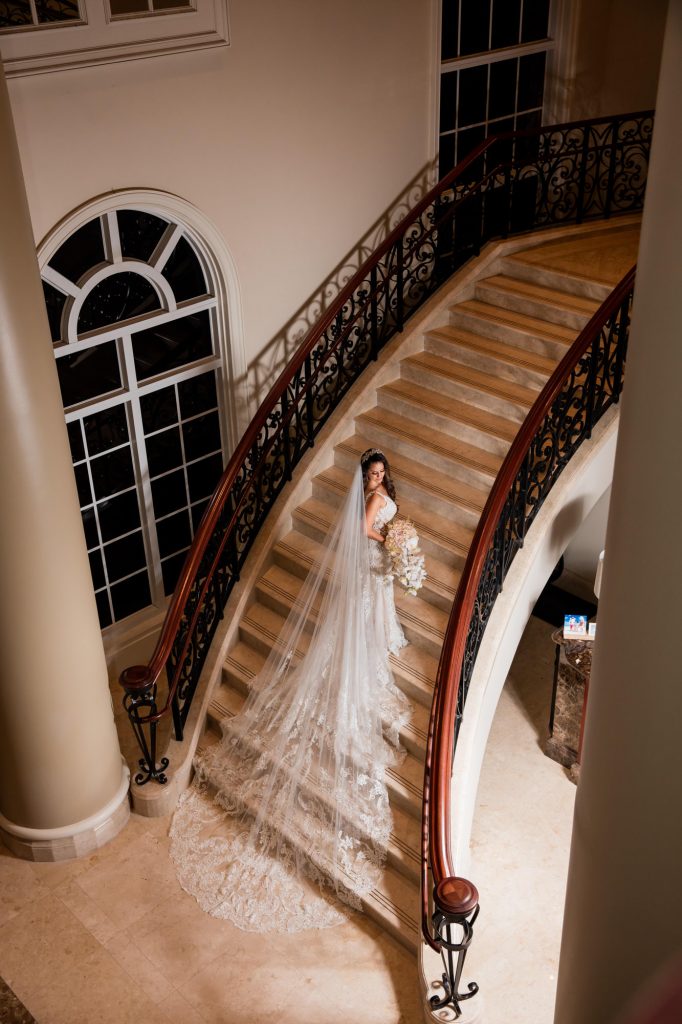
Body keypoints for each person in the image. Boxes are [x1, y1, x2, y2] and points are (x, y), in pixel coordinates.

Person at [170, 448, 411, 933]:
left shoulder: (379, 495)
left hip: (375, 565)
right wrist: (391, 539)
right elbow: (366, 529)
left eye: (382, 473)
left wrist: (397, 543)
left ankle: (373, 648)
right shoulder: (369, 503)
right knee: (361, 618)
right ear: (363, 476)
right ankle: (360, 665)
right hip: (372, 560)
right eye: (372, 474)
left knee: (369, 614)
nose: (378, 479)